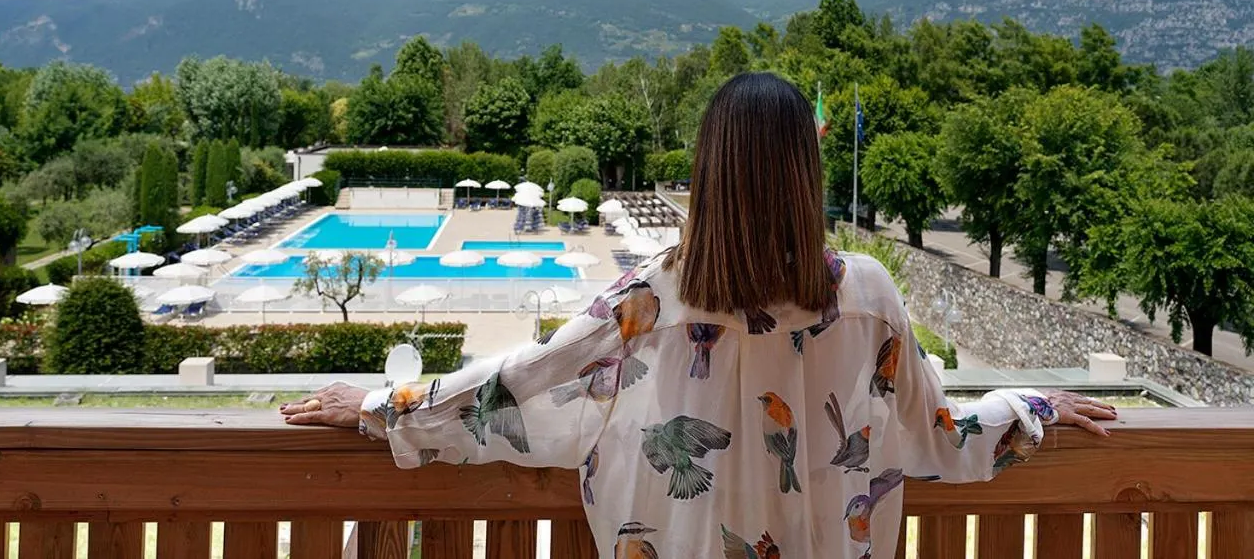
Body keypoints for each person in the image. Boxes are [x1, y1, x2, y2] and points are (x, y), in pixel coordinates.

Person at [282, 72, 1116, 558]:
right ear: (806, 174)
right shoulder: (865, 297)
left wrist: (383, 406)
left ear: (710, 170)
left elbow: (526, 379)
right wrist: (1032, 408)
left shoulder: (659, 294)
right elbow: (937, 433)